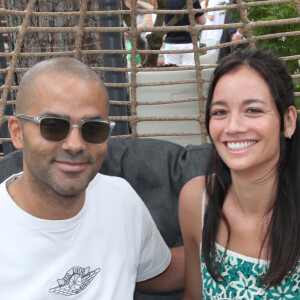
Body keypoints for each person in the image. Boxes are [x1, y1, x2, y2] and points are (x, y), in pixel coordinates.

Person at [1, 57, 184, 299]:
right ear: (17, 133)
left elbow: (158, 273)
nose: (75, 145)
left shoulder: (121, 199)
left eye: (93, 129)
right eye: (54, 126)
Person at [179, 49, 300, 299]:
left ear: (288, 121)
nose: (233, 127)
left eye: (253, 110)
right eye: (220, 112)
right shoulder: (196, 201)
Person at [163, 0, 206, 66]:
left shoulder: (164, 1)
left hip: (171, 42)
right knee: (189, 73)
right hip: (190, 42)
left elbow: (161, 20)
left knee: (171, 73)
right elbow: (203, 21)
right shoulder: (192, 1)